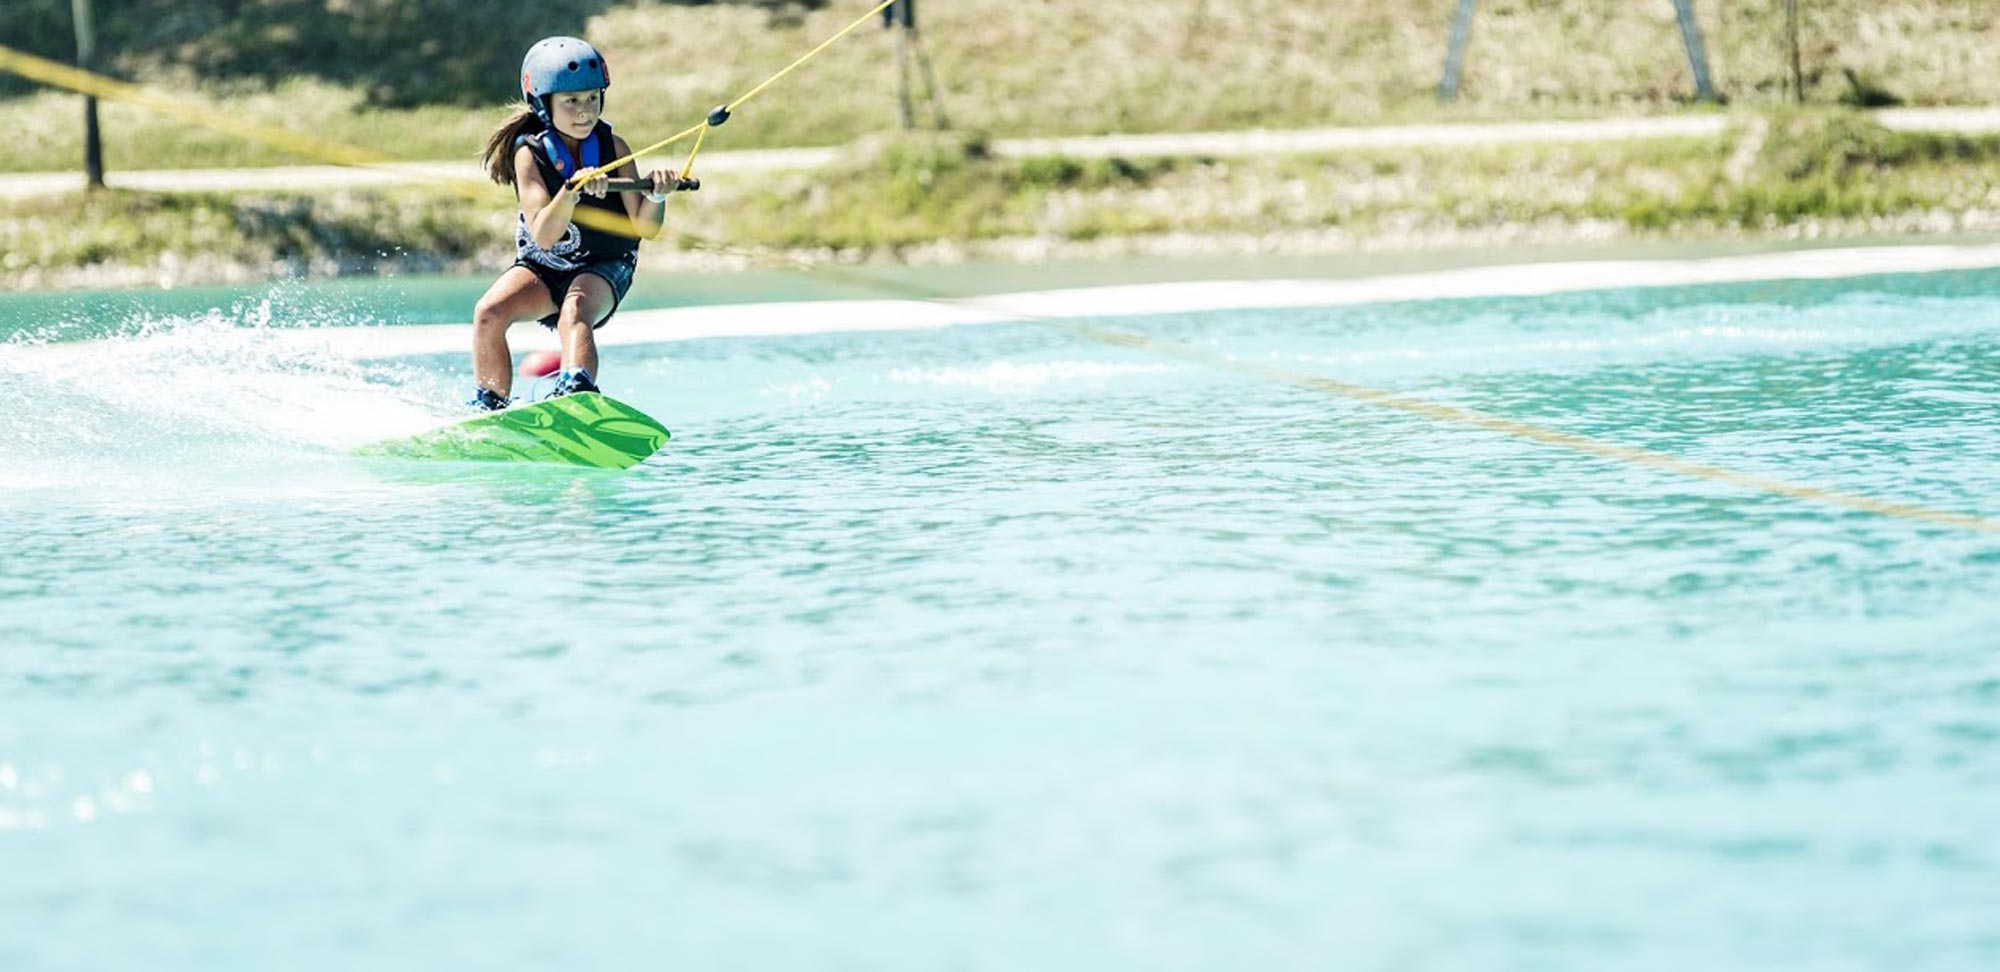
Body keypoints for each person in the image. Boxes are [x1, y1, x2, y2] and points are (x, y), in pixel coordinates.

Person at [469, 36, 682, 410]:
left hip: (605, 265)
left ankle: (576, 394)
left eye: (592, 99)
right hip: (545, 266)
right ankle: (491, 407)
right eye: (571, 102)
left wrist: (658, 195)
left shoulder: (615, 148)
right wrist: (571, 192)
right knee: (489, 312)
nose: (584, 111)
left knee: (575, 309)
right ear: (543, 104)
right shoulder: (528, 153)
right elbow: (544, 236)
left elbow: (644, 228)